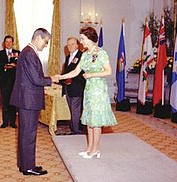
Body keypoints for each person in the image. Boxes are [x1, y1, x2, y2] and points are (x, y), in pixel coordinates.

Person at [55, 26, 117, 158]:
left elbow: (108, 71)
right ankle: (89, 149)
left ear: (89, 38)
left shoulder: (101, 53)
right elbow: (75, 72)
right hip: (88, 90)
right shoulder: (85, 55)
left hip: (98, 91)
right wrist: (60, 77)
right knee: (89, 120)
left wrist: (92, 75)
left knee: (96, 121)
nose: (81, 42)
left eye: (82, 39)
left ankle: (96, 149)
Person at [10, 28, 57, 175]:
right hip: (29, 101)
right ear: (38, 38)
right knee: (28, 134)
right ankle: (28, 167)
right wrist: (51, 79)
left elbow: (33, 77)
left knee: (25, 133)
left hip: (27, 100)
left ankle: (24, 164)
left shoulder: (27, 52)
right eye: (45, 41)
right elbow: (37, 79)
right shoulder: (29, 53)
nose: (46, 45)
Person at [0, 35, 20, 128]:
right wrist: (4, 66)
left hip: (14, 82)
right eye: (6, 42)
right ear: (4, 43)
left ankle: (12, 122)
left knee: (13, 102)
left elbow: (22, 67)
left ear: (13, 43)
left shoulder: (18, 53)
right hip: (4, 81)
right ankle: (5, 122)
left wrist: (15, 65)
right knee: (4, 102)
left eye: (10, 42)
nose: (8, 43)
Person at [61, 37, 85, 134]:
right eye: (68, 44)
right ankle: (74, 127)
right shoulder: (68, 57)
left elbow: (82, 73)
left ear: (77, 45)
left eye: (72, 44)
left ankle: (76, 131)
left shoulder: (82, 56)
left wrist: (72, 79)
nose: (69, 46)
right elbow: (66, 72)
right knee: (72, 110)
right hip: (68, 88)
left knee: (76, 111)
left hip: (77, 88)